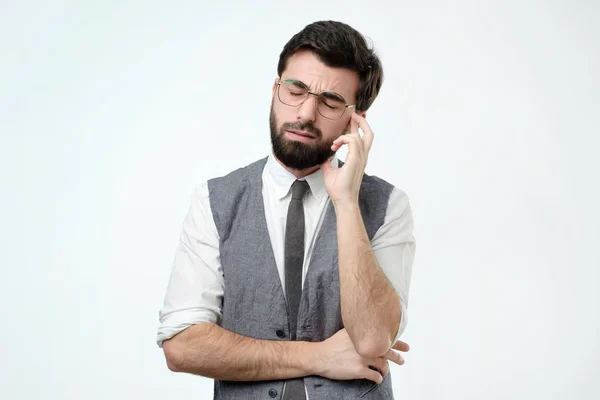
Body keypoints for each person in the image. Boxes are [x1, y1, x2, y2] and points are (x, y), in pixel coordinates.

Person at [157, 20, 416, 400]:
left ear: (355, 119)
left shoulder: (388, 206)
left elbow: (373, 338)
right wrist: (319, 356)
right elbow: (181, 346)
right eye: (295, 90)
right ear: (275, 90)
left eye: (329, 102)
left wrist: (346, 203)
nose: (306, 113)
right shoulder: (214, 201)